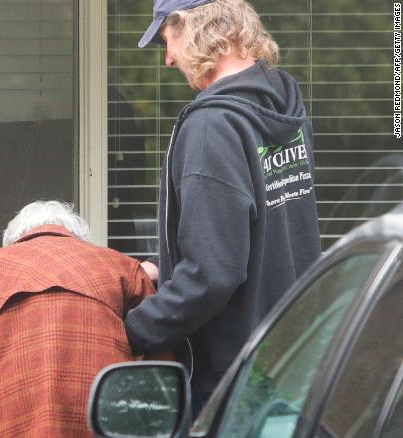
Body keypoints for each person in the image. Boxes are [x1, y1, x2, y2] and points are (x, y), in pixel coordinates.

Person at [124, 0, 321, 412]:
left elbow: (214, 273)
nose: (168, 59)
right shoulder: (282, 105)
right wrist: (167, 268)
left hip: (232, 381)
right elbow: (262, 231)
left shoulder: (213, 126)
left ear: (195, 29)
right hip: (292, 354)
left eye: (168, 40)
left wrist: (136, 329)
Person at [0, 201, 167, 437]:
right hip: (107, 424)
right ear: (77, 236)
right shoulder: (121, 267)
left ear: (15, 241)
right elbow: (160, 360)